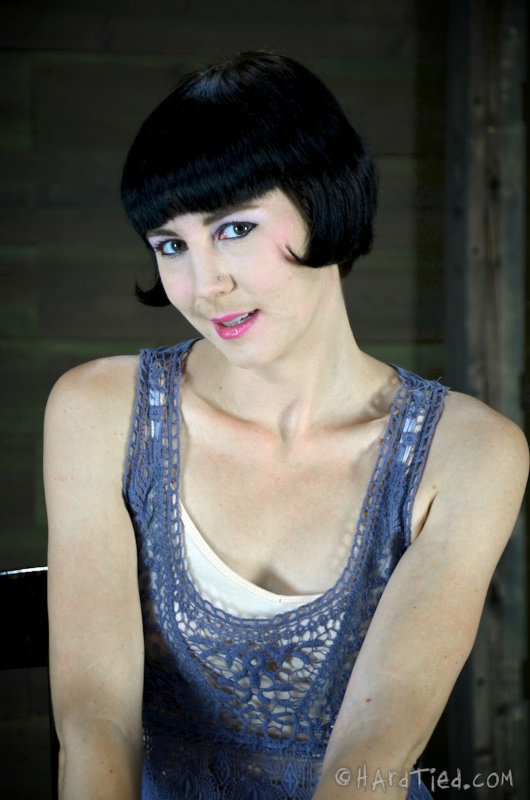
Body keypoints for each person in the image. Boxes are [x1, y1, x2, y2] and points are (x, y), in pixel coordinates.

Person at [44, 51, 528, 800]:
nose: (205, 285)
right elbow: (94, 719)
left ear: (324, 198)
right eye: (172, 245)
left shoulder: (469, 453)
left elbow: (377, 747)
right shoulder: (99, 412)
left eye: (234, 228)